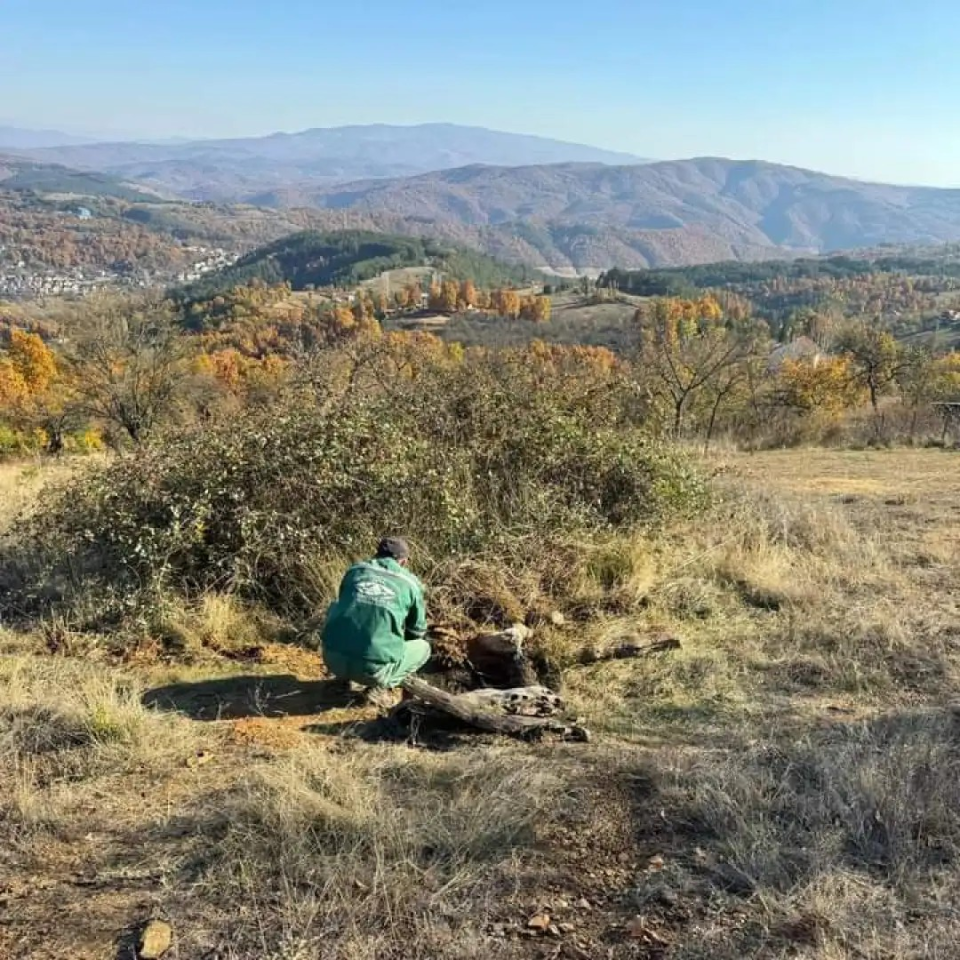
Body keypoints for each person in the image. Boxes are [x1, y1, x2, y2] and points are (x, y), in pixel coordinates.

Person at [322, 536, 431, 698]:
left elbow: (346, 604)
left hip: (332, 659)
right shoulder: (410, 583)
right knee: (423, 647)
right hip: (373, 671)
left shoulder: (354, 571)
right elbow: (417, 630)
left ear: (376, 554)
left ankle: (341, 680)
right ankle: (379, 689)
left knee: (337, 609)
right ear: (403, 562)